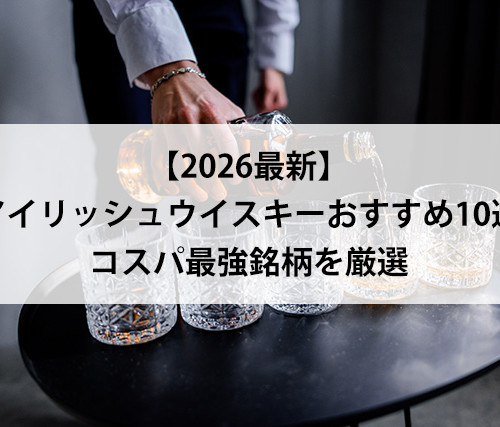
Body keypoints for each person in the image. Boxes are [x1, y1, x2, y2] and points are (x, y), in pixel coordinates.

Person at [75, 0, 300, 124]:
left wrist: (274, 49)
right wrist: (170, 68)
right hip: (116, 14)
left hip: (219, 16)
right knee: (128, 162)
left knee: (223, 160)